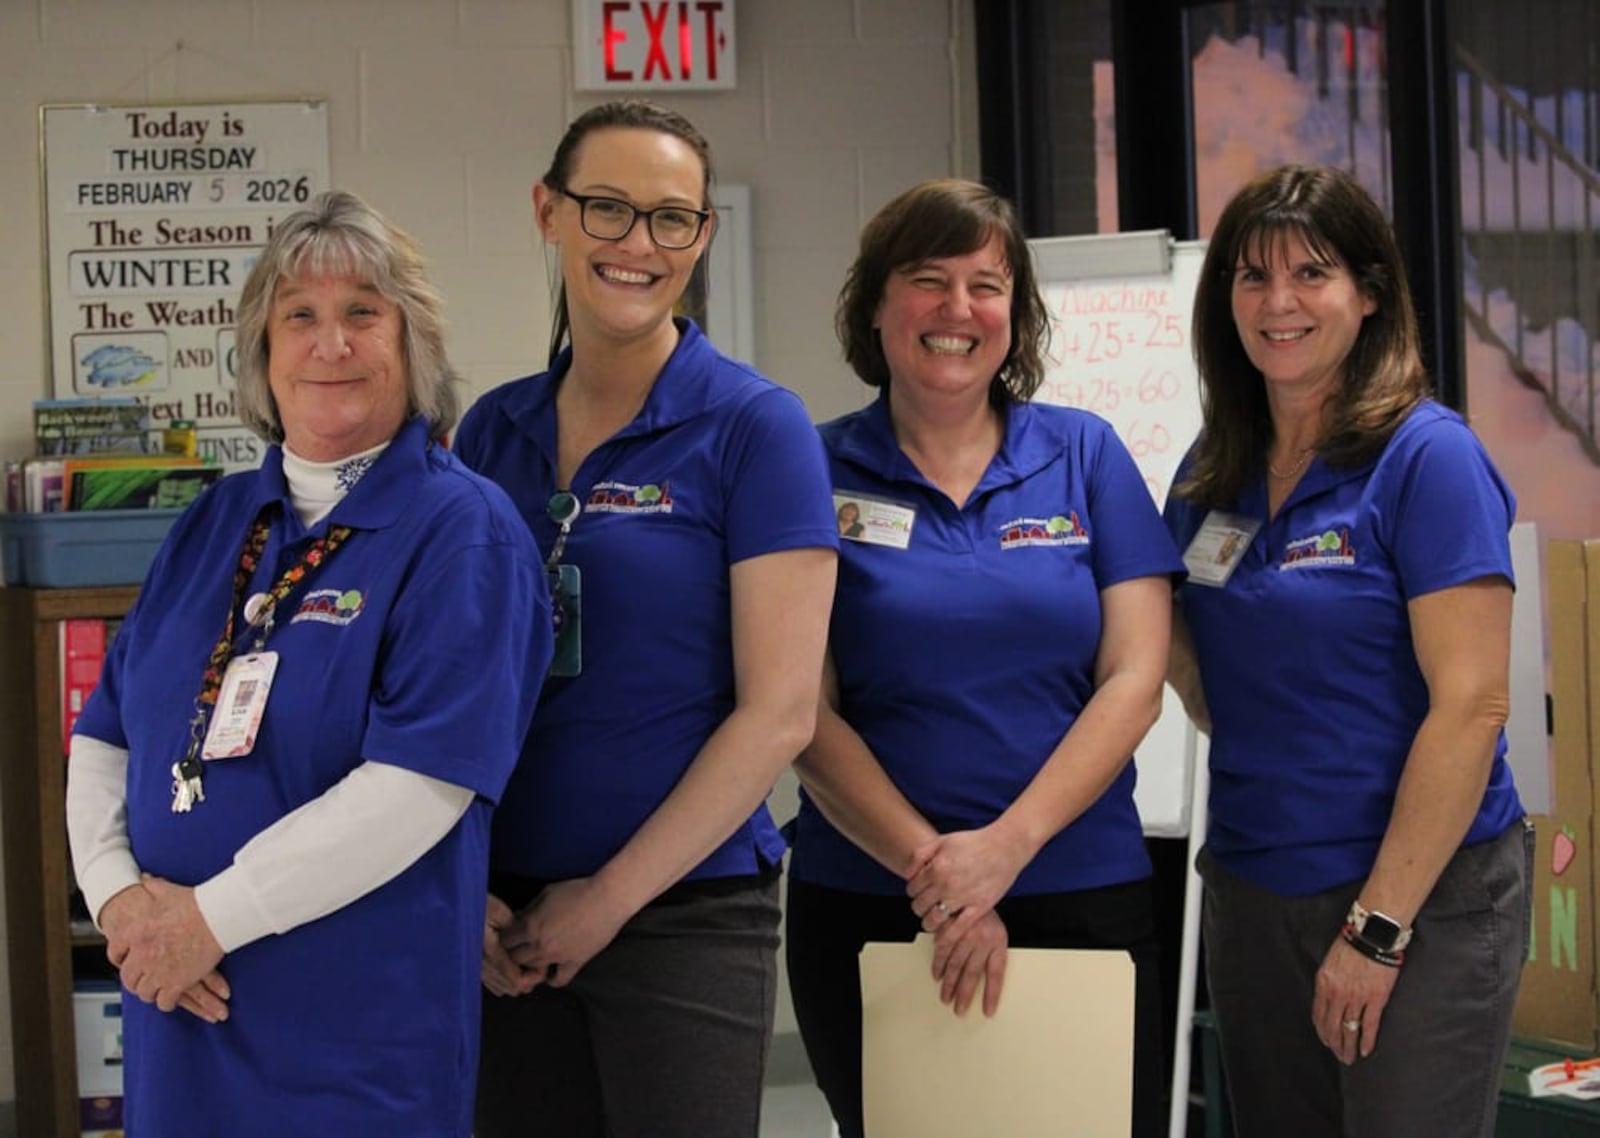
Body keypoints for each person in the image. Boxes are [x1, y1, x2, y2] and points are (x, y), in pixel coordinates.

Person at [63, 190, 551, 1138]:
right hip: (179, 1004)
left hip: (350, 1037)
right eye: (301, 317)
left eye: (363, 313)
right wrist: (122, 905)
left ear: (413, 345)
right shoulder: (215, 520)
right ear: (262, 353)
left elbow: (420, 787)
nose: (331, 345)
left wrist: (203, 920)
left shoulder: (464, 532)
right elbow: (105, 733)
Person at [455, 99, 838, 1138]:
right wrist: (460, 887)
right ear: (547, 212)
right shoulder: (492, 430)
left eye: (671, 218)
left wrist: (609, 897)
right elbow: (442, 682)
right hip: (501, 917)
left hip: (682, 918)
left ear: (702, 235)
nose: (638, 244)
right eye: (607, 209)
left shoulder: (757, 428)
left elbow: (779, 714)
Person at [784, 178, 1185, 1138]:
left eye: (986, 284)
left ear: (1018, 312)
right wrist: (941, 878)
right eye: (928, 280)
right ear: (875, 306)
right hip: (872, 901)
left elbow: (1135, 681)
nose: (958, 310)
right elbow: (798, 705)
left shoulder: (1085, 455)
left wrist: (1001, 853)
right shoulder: (807, 467)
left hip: (1078, 892)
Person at [1163, 164, 1530, 1138]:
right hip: (1254, 889)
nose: (1277, 302)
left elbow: (1473, 706)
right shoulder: (1208, 477)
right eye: (1250, 276)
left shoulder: (1426, 458)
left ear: (1367, 293)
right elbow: (1206, 685)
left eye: (1310, 273)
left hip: (1418, 900)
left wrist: (1376, 927)